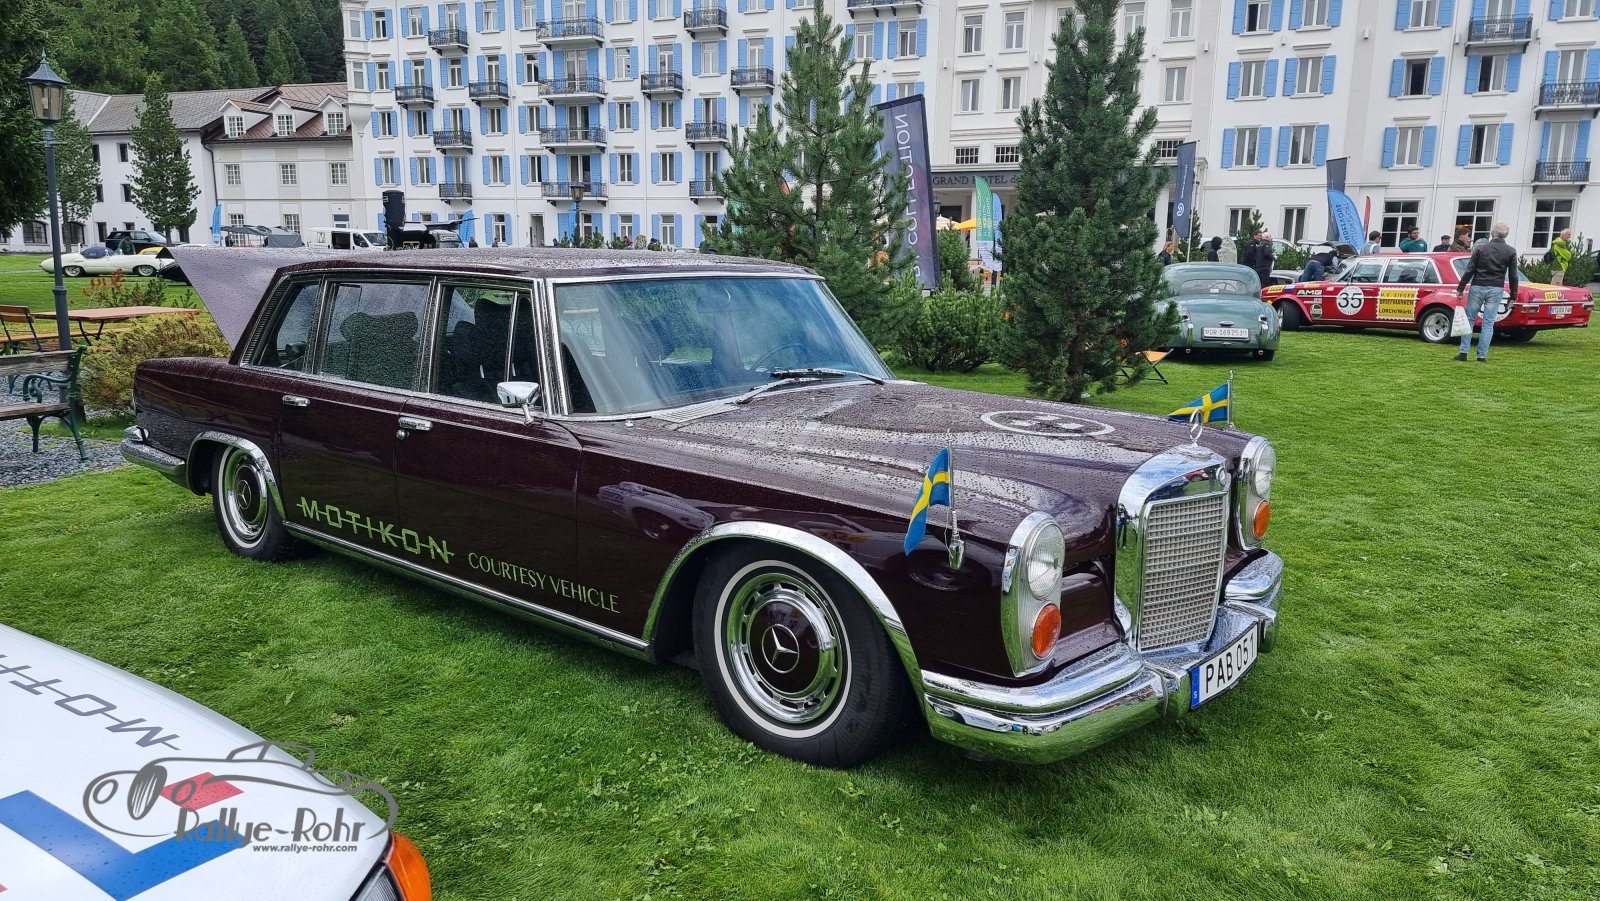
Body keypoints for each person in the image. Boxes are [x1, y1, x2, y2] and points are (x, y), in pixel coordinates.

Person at [1454, 222, 1518, 363]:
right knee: (1488, 323)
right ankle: (1481, 355)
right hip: (1496, 288)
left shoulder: (1481, 248)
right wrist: (1514, 294)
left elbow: (1470, 269)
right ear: (1506, 235)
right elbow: (1513, 275)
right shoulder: (1511, 251)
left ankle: (1463, 352)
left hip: (1478, 285)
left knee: (1469, 320)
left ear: (1492, 233)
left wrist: (1460, 288)